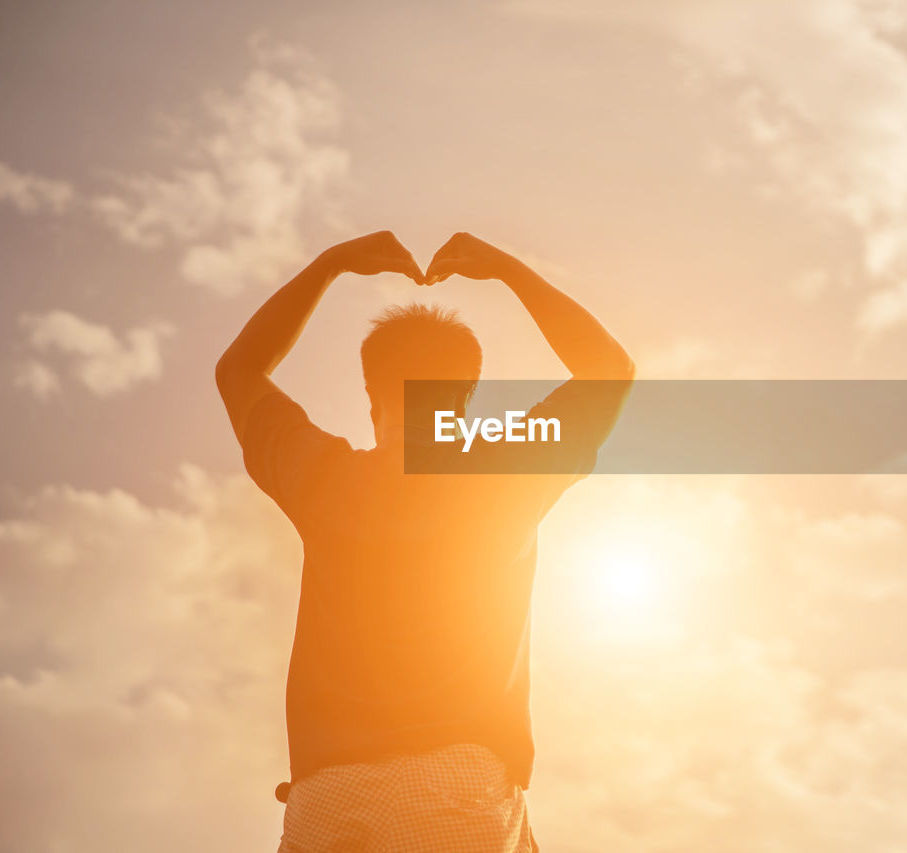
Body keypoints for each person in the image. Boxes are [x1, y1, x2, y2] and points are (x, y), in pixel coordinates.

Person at [214, 230, 634, 852]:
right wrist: (508, 270)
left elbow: (239, 370)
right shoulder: (507, 472)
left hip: (327, 797)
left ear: (368, 392)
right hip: (455, 790)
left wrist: (330, 266)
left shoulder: (322, 477)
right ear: (464, 399)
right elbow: (609, 369)